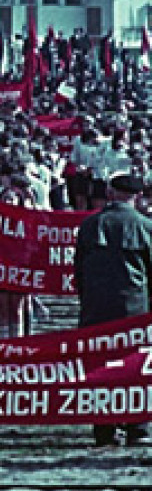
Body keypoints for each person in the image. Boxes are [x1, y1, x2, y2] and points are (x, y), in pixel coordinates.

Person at [75, 172, 152, 447]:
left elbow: (79, 272)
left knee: (99, 366)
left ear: (110, 193)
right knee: (137, 366)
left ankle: (104, 427)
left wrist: (87, 300)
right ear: (138, 196)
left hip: (96, 308)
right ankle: (137, 425)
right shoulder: (145, 226)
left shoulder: (90, 224)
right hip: (134, 308)